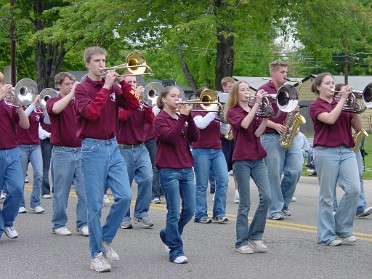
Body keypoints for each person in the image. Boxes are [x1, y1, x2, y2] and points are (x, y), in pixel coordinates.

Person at [74, 46, 140, 272]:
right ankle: (95, 255)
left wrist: (122, 86)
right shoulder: (81, 89)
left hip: (113, 146)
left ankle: (105, 239)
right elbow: (91, 113)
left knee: (124, 196)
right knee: (94, 205)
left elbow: (132, 106)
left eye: (104, 60)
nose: (103, 65)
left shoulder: (113, 86)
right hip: (92, 148)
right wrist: (107, 86)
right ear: (87, 64)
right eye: (97, 61)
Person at [309, 73, 360, 246]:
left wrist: (353, 106)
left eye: (333, 82)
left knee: (354, 190)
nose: (332, 85)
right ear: (318, 87)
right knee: (327, 196)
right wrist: (342, 101)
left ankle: (342, 229)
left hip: (346, 151)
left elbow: (358, 127)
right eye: (328, 83)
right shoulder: (316, 105)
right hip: (325, 151)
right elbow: (330, 119)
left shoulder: (343, 104)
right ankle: (326, 236)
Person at [154, 86, 200, 264]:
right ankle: (175, 250)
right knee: (173, 211)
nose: (177, 99)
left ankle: (168, 234)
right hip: (168, 169)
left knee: (190, 210)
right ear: (164, 99)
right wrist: (183, 117)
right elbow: (171, 138)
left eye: (178, 95)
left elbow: (195, 137)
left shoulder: (182, 117)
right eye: (173, 96)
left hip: (187, 168)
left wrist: (189, 117)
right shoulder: (160, 119)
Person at [226, 81, 271, 254]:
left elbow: (257, 133)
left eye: (247, 89)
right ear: (236, 94)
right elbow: (244, 125)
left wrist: (266, 117)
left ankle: (256, 235)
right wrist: (258, 104)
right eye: (242, 90)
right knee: (245, 203)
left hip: (257, 158)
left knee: (267, 197)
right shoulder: (233, 112)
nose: (246, 92)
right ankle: (241, 242)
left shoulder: (254, 109)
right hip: (242, 159)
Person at [259, 60, 303, 220]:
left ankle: (282, 203)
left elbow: (291, 109)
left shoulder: (289, 89)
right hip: (270, 135)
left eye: (286, 71)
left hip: (289, 134)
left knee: (296, 169)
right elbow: (257, 115)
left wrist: (295, 114)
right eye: (283, 72)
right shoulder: (264, 90)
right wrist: (275, 125)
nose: (286, 74)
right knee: (274, 174)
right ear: (273, 73)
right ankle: (275, 209)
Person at [46, 72, 88, 236]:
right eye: (67, 84)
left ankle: (83, 223)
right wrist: (72, 93)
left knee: (85, 191)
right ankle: (58, 224)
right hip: (62, 152)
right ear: (58, 85)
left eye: (72, 83)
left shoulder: (77, 103)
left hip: (80, 151)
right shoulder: (53, 101)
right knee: (61, 192)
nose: (71, 86)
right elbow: (56, 109)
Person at [118, 73, 154, 229]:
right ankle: (124, 217)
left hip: (140, 147)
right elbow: (123, 117)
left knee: (147, 178)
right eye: (129, 82)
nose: (133, 84)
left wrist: (147, 106)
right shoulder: (119, 100)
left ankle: (141, 213)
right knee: (124, 185)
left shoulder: (141, 102)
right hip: (123, 148)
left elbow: (150, 121)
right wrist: (135, 100)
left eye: (134, 82)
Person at [332, 83, 372, 218]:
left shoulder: (349, 108)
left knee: (358, 174)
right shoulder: (330, 106)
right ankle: (333, 208)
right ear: (337, 94)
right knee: (331, 180)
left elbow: (359, 127)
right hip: (332, 147)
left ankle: (359, 207)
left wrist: (355, 109)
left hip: (350, 145)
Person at [192, 87, 230, 224]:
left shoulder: (215, 111)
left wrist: (225, 120)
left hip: (217, 149)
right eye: (205, 95)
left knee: (223, 181)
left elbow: (224, 131)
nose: (209, 98)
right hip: (200, 150)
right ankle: (200, 214)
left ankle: (219, 213)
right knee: (202, 184)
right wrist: (213, 112)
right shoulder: (195, 111)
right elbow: (201, 125)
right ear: (198, 97)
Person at [0, 71, 30, 239]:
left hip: (12, 150)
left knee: (17, 189)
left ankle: (8, 222)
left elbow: (25, 125)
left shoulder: (8, 102)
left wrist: (19, 106)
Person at [17, 95, 45, 214]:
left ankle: (35, 203)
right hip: (21, 146)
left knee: (39, 174)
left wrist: (46, 106)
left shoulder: (37, 110)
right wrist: (33, 104)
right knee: (21, 177)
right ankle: (20, 204)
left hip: (35, 145)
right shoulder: (18, 108)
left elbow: (48, 121)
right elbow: (23, 117)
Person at [220, 77, 240, 203]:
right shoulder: (220, 100)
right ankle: (219, 189)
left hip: (235, 136)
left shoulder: (237, 99)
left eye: (234, 86)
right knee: (222, 166)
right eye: (229, 86)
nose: (232, 88)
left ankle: (237, 192)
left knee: (237, 166)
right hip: (223, 137)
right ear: (224, 87)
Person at [39, 122, 53, 198]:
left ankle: (56, 188)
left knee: (57, 167)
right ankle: (45, 191)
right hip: (46, 139)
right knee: (45, 167)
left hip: (58, 138)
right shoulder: (41, 110)